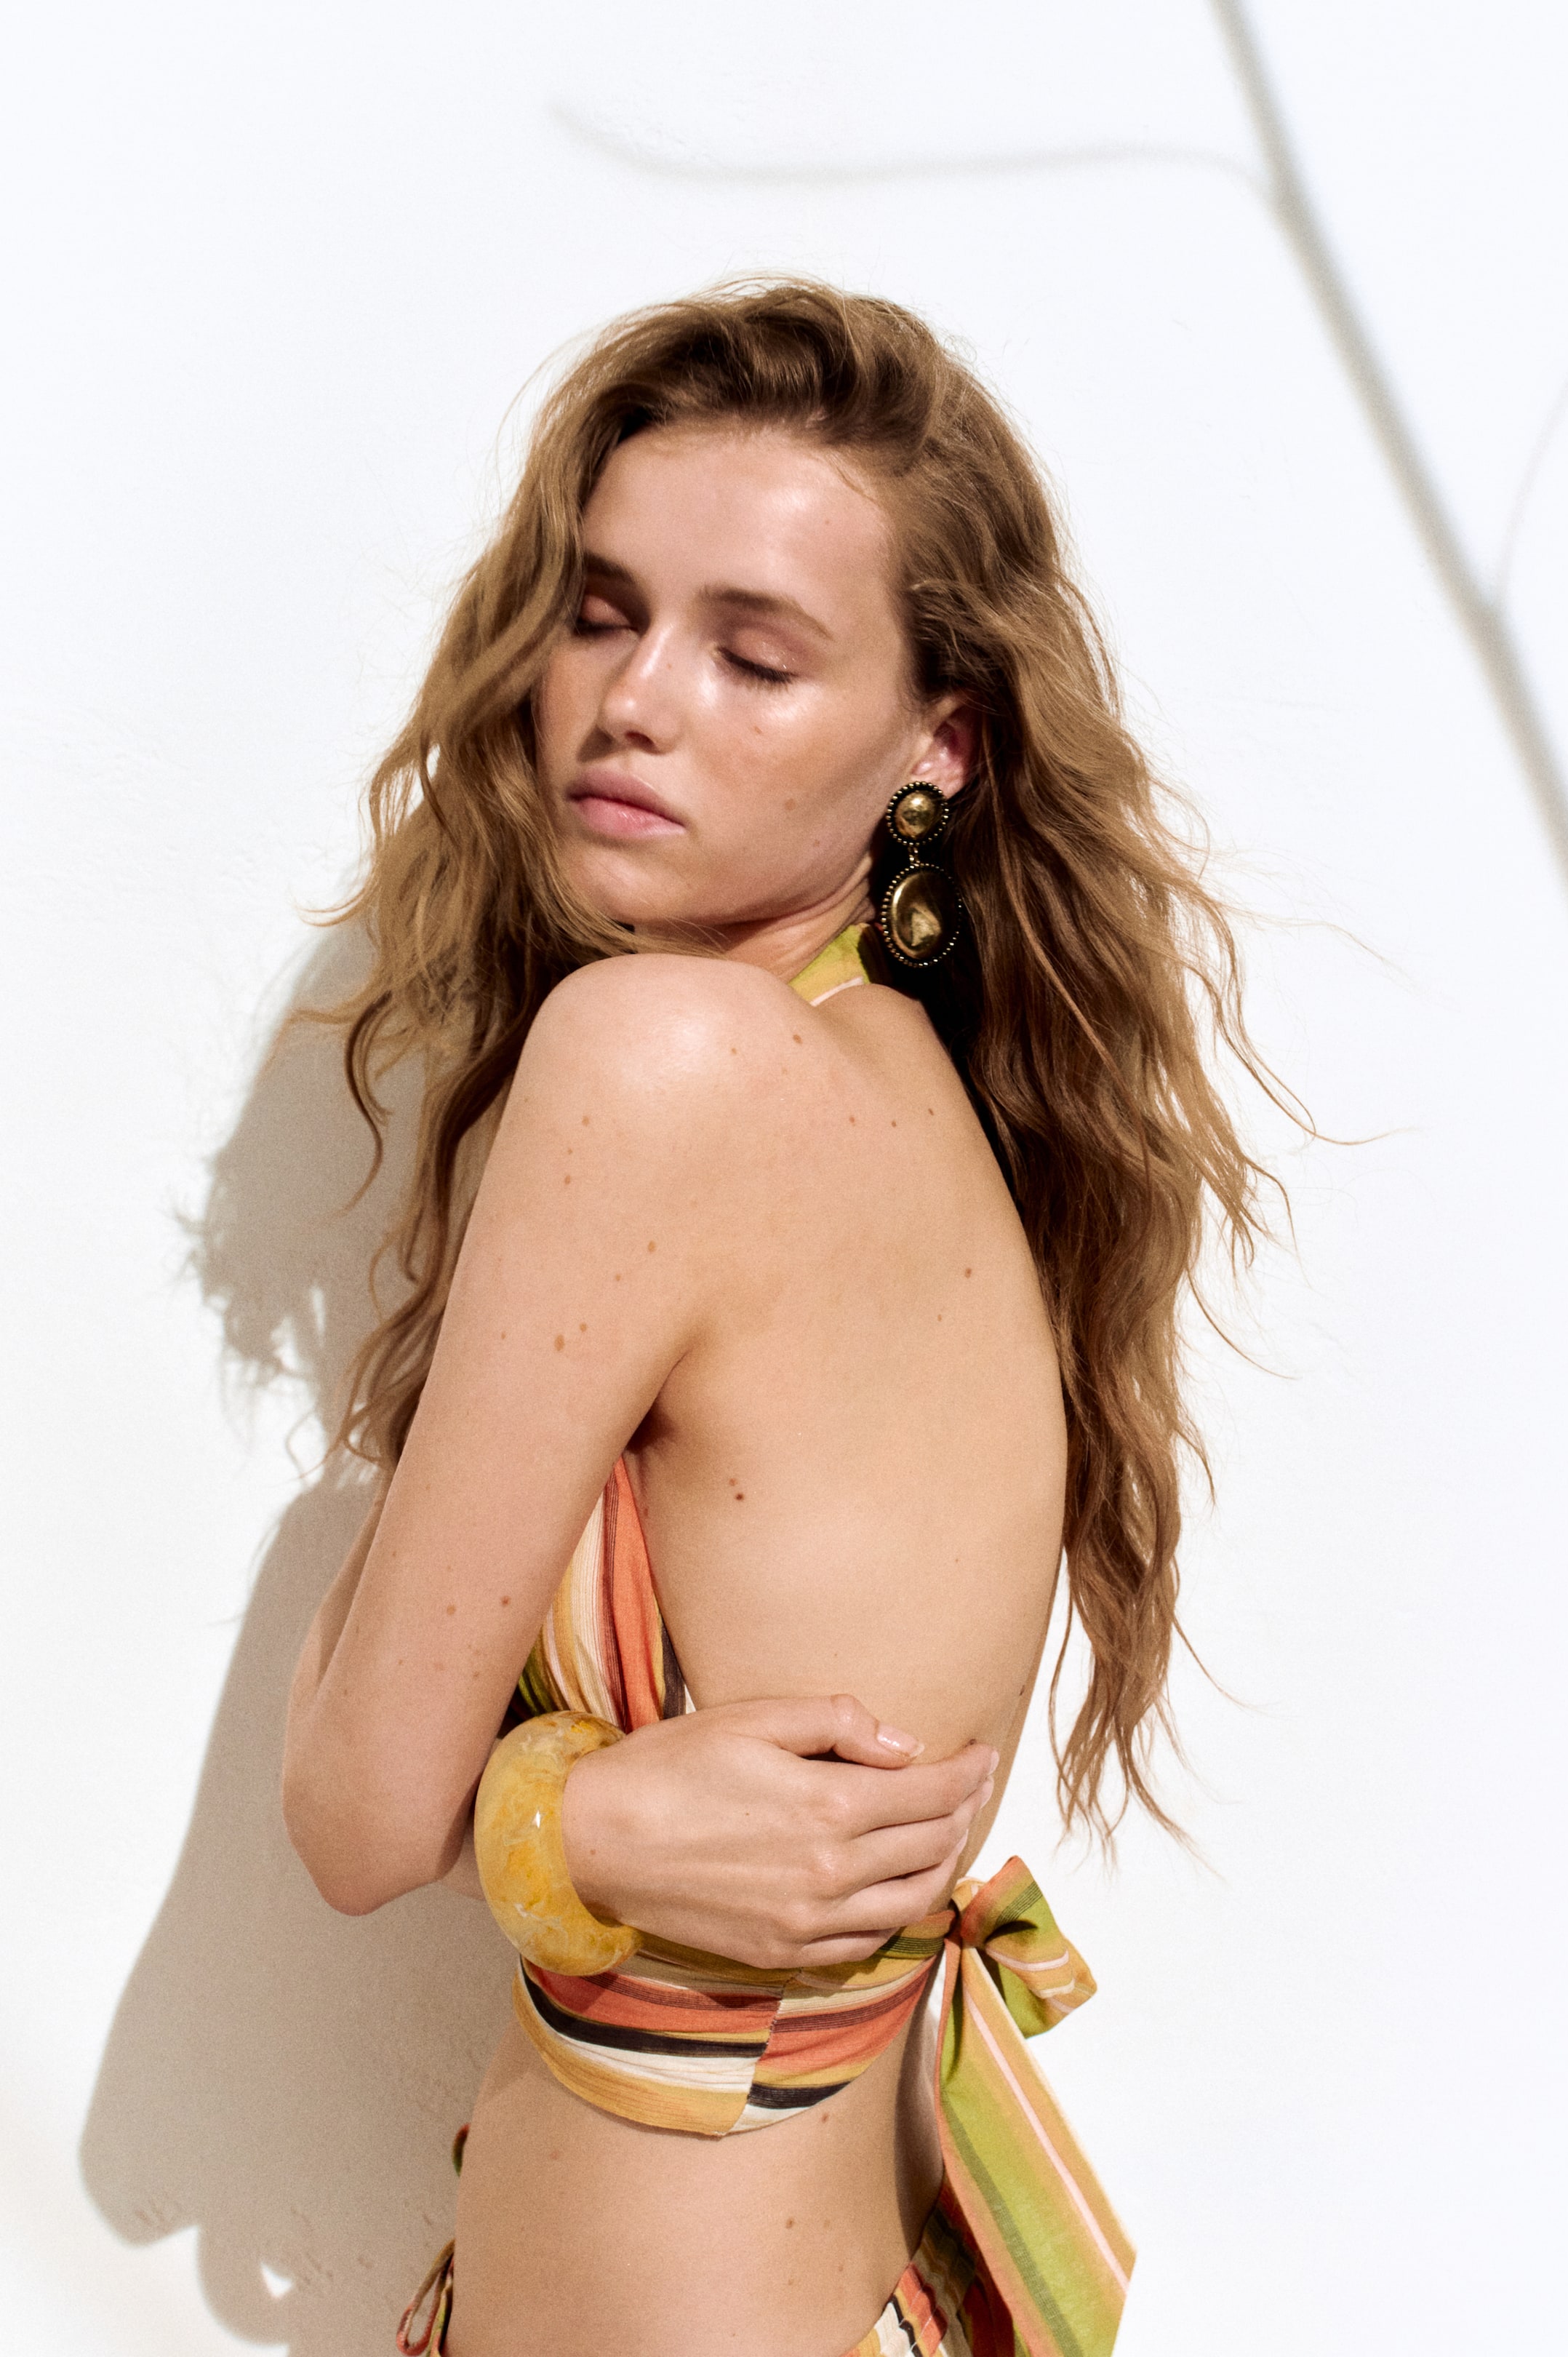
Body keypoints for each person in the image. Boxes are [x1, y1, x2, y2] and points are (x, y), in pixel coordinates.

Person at [282, 280, 1270, 2357]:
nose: (632, 702)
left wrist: (550, 1817)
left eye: (754, 654)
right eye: (600, 613)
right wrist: (594, 1811)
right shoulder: (915, 1091)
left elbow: (357, 1813)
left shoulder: (660, 1064)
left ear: (939, 744)